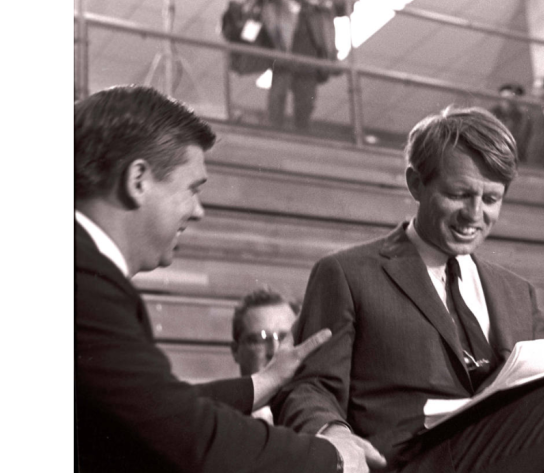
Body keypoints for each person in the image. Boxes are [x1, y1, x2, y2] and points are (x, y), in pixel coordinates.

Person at [273, 106, 544, 472]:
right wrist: (331, 432)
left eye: (491, 199)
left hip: (504, 455)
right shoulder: (348, 274)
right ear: (415, 184)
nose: (474, 215)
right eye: (460, 194)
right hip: (410, 460)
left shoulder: (516, 292)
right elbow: (306, 387)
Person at [74, 85, 377, 472]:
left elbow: (154, 404)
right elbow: (185, 433)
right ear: (138, 180)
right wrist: (333, 456)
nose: (198, 211)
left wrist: (262, 382)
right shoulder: (88, 282)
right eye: (192, 190)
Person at [261, 0, 346, 131]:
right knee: (279, 90)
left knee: (306, 98)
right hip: (287, 36)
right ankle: (273, 133)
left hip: (312, 37)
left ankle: (302, 134)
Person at [231, 287, 301, 423]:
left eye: (285, 338)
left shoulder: (324, 421)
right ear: (235, 351)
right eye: (260, 340)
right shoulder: (216, 423)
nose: (275, 351)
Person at [488, 83, 531, 162]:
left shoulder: (520, 116)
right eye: (507, 98)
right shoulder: (493, 113)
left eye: (513, 98)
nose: (509, 101)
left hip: (515, 153)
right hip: (495, 151)